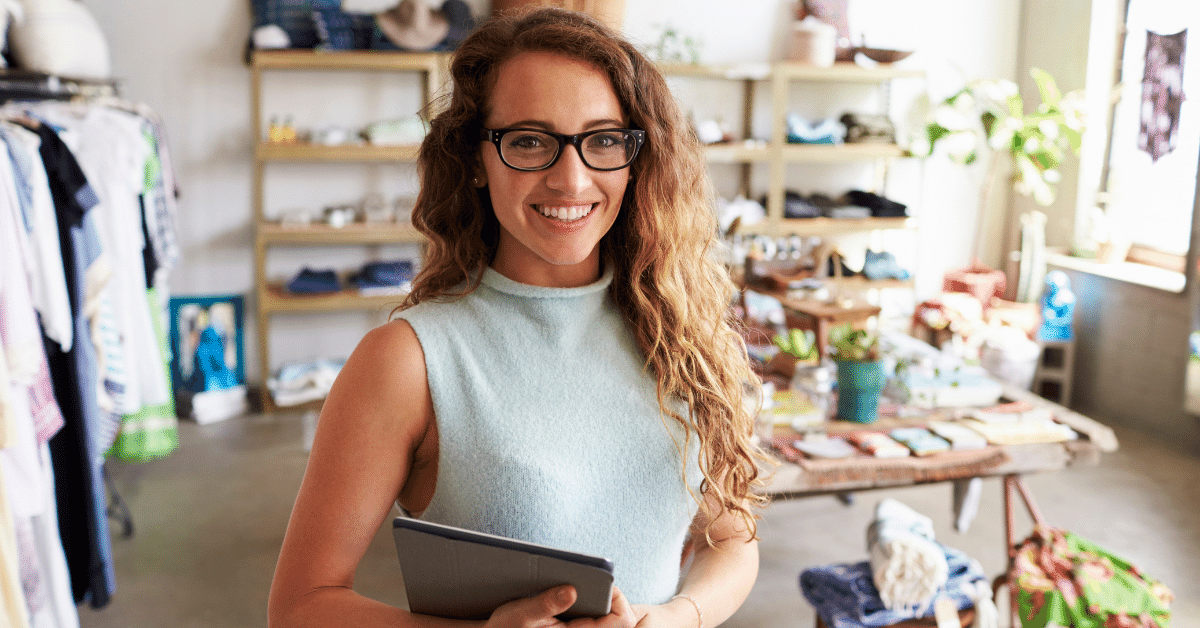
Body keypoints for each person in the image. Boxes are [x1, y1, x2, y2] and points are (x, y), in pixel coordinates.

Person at [268, 7, 766, 628]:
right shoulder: (409, 361)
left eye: (604, 139)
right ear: (476, 157)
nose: (571, 178)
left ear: (638, 157)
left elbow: (730, 538)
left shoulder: (681, 335)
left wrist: (677, 617)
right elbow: (299, 605)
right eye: (530, 140)